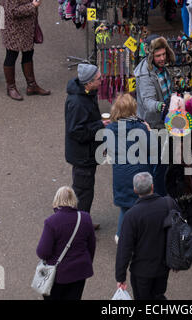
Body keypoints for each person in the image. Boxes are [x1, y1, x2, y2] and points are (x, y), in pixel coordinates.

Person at [115, 172, 180, 300]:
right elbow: (178, 230)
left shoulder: (132, 215)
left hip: (141, 271)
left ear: (135, 190)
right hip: (163, 266)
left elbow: (124, 249)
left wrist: (120, 277)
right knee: (158, 295)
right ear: (152, 186)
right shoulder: (168, 204)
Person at [105, 94, 153, 244]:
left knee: (125, 208)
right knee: (143, 206)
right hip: (139, 173)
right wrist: (149, 131)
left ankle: (121, 235)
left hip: (120, 174)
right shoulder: (140, 127)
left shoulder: (110, 129)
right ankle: (141, 239)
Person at [65, 63, 107, 230]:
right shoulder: (78, 103)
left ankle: (83, 220)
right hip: (82, 155)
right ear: (88, 83)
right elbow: (76, 131)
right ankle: (79, 228)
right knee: (83, 192)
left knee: (85, 191)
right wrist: (100, 125)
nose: (101, 80)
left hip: (87, 153)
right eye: (98, 79)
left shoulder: (87, 93)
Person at [36, 186, 96, 300]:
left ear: (56, 200)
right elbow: (91, 246)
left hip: (58, 275)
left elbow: (43, 252)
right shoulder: (85, 218)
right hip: (80, 271)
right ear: (74, 200)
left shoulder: (51, 222)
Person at [134, 36, 175, 196]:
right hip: (153, 125)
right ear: (151, 56)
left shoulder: (161, 68)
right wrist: (162, 106)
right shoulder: (145, 75)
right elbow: (148, 102)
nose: (162, 58)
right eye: (158, 56)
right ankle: (158, 196)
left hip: (164, 121)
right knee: (158, 165)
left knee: (163, 162)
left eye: (164, 54)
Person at [1, 0, 50, 101]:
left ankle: (32, 86)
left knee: (28, 53)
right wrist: (33, 5)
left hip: (27, 27)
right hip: (14, 29)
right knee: (11, 55)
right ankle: (11, 88)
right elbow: (13, 11)